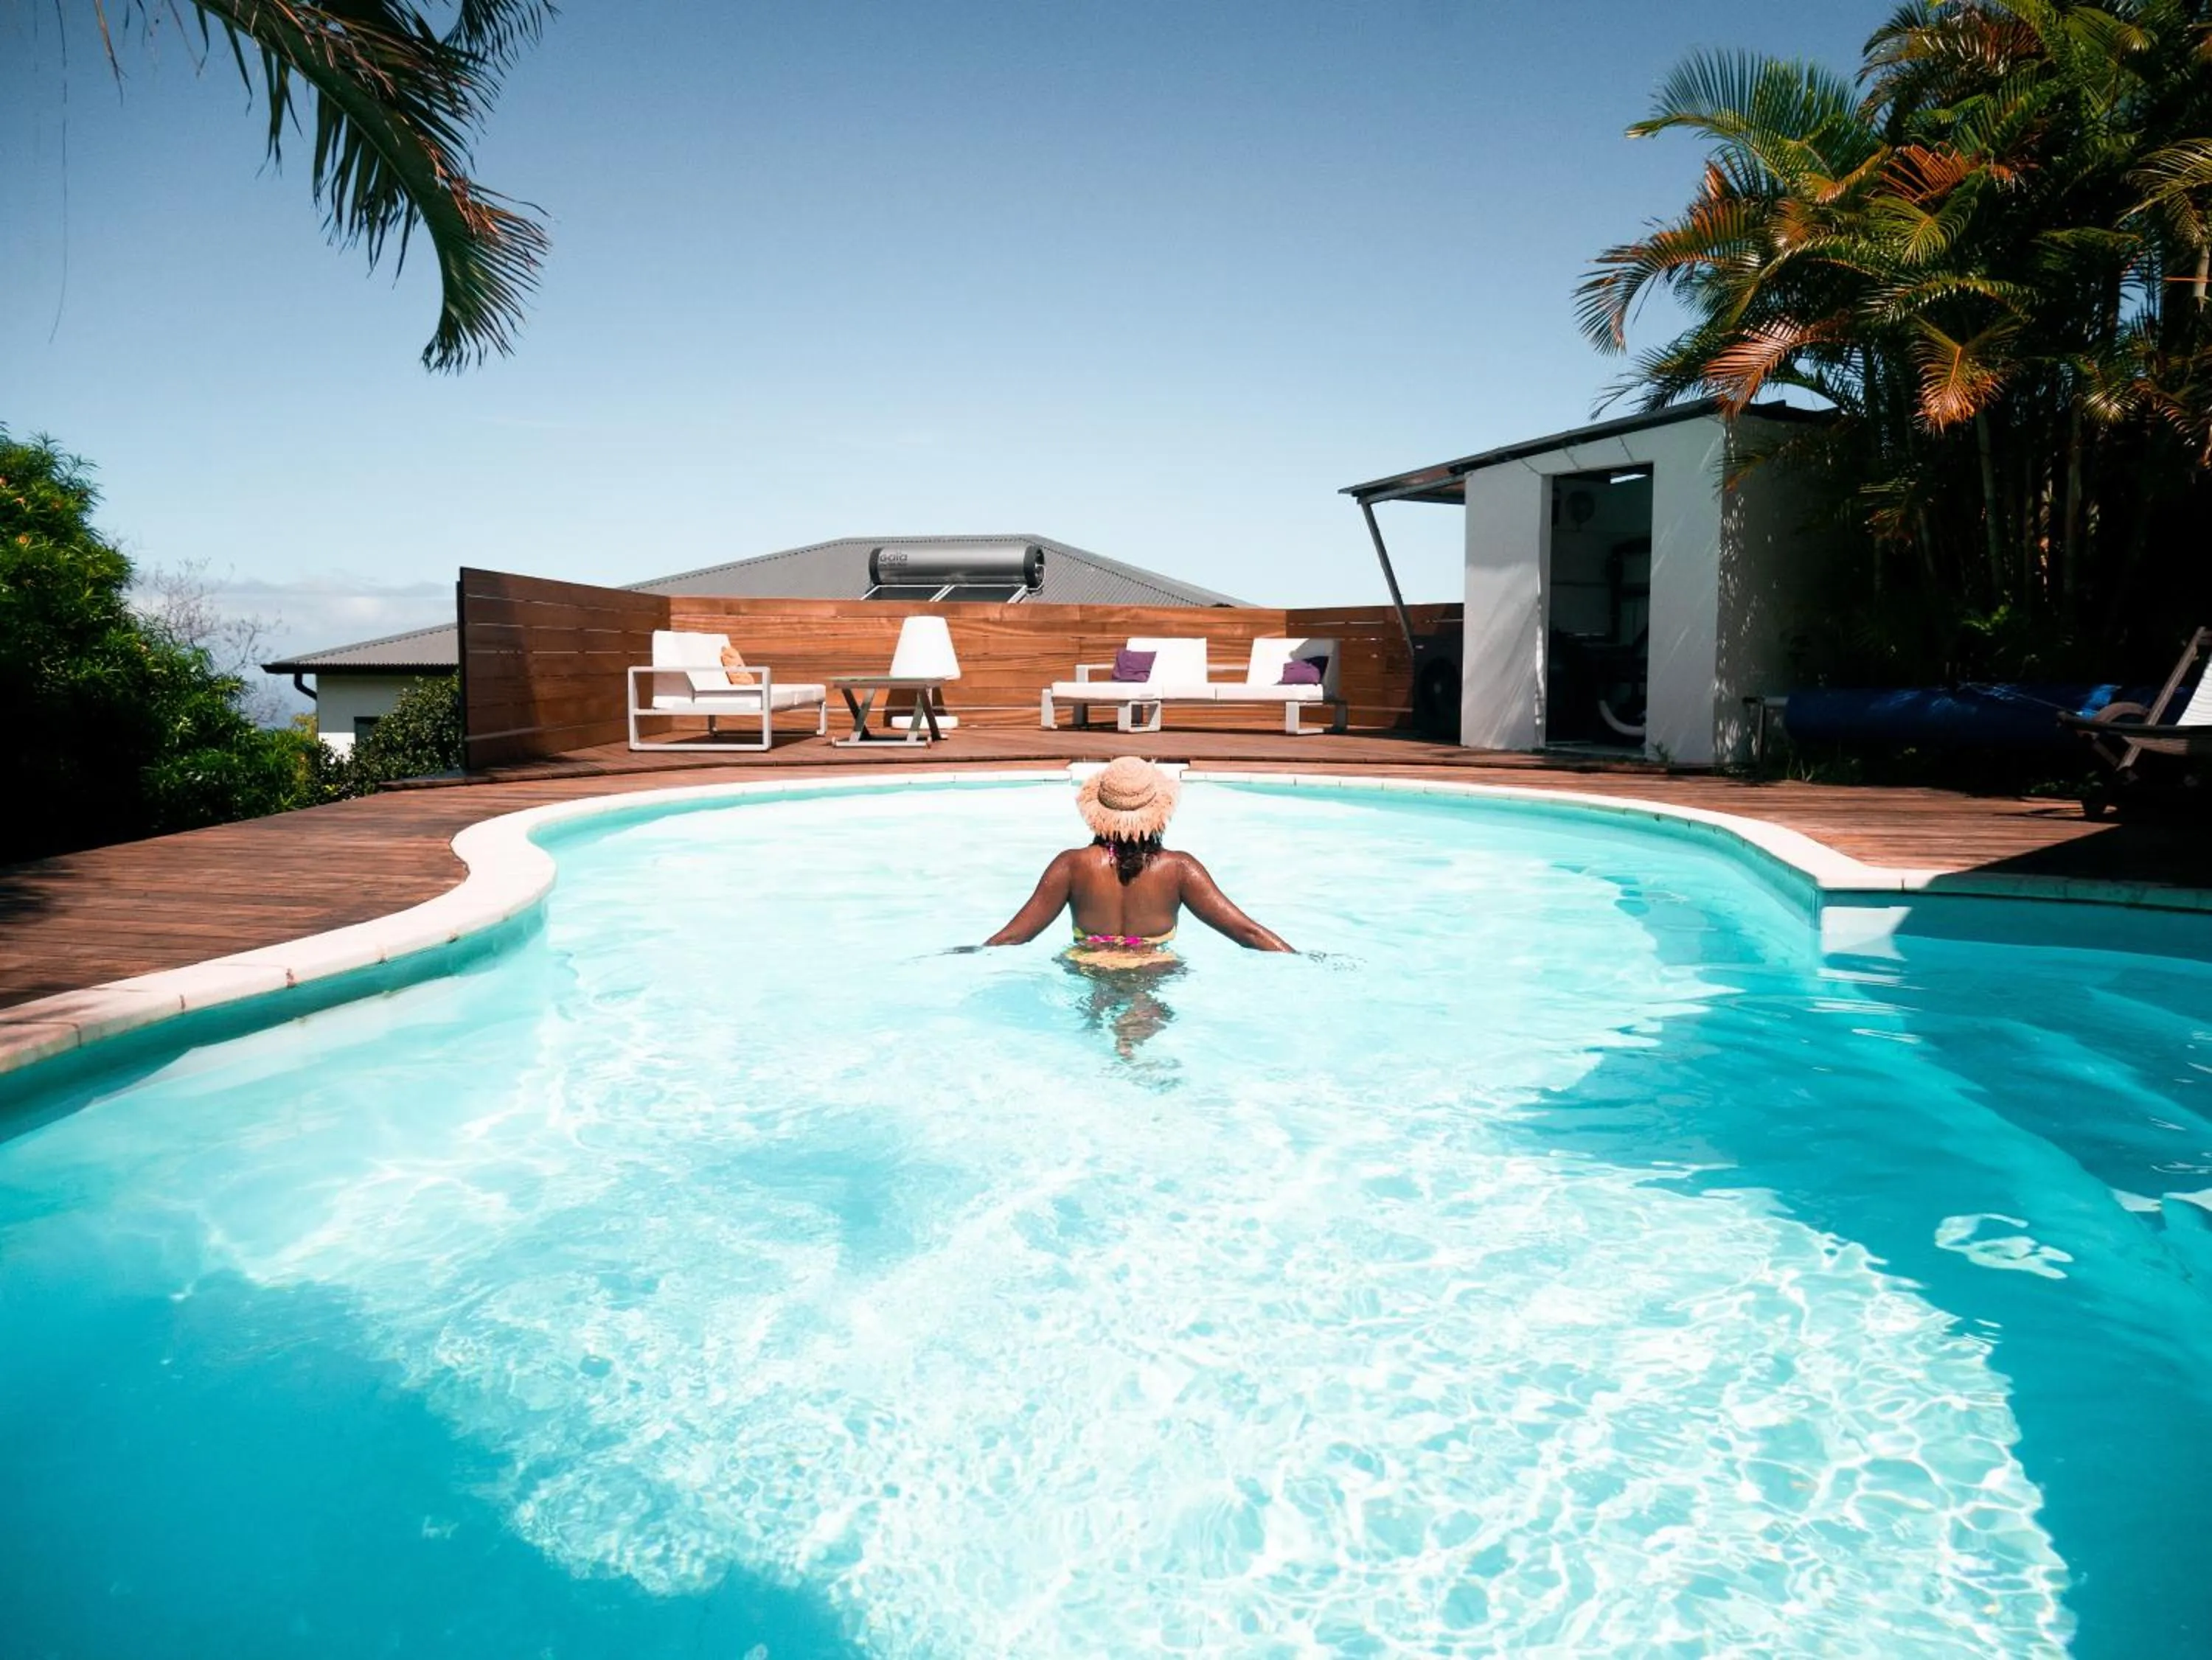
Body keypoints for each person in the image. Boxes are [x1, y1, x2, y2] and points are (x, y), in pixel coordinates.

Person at [984, 756, 1294, 966]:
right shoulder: (1179, 869)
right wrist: (1299, 959)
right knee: (1140, 1038)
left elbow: (1014, 936)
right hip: (1152, 968)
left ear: (1097, 813)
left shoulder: (1071, 866)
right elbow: (1247, 933)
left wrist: (964, 954)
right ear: (1159, 811)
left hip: (1089, 966)